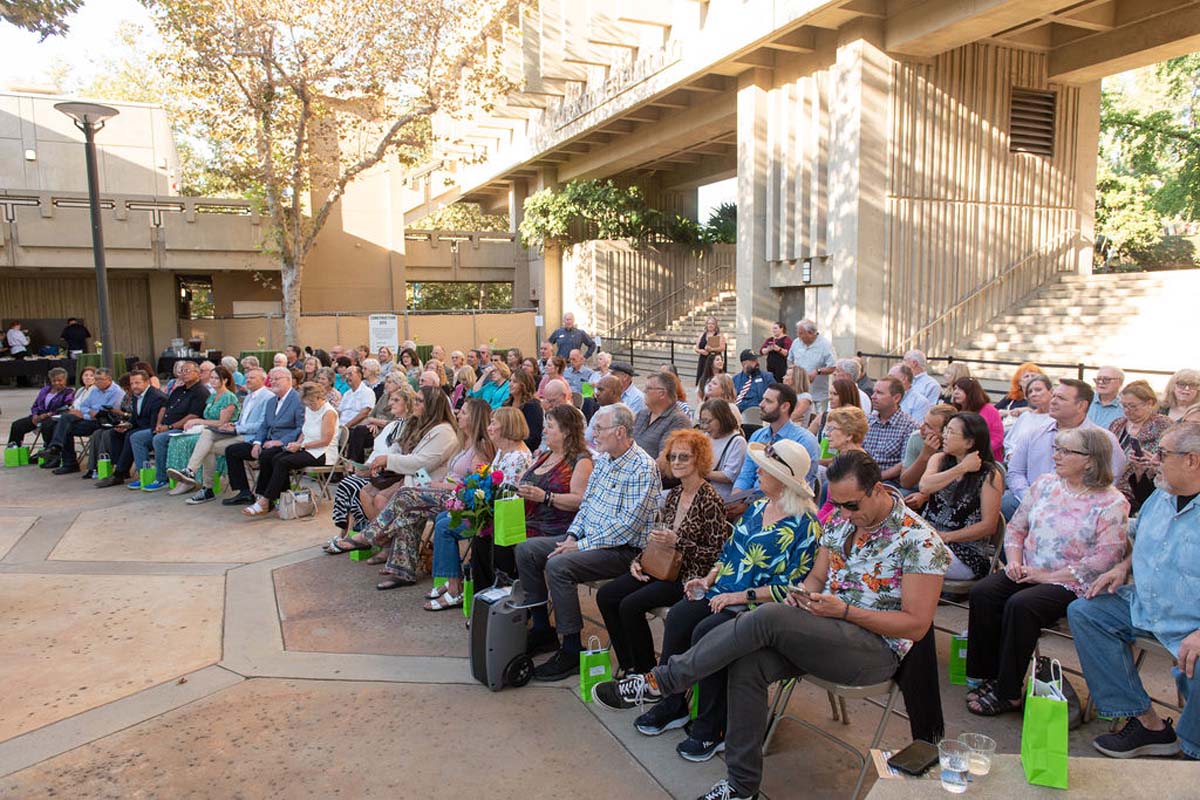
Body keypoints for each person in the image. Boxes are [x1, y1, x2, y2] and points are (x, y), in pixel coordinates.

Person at [594, 451, 949, 800]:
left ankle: (664, 682)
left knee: (763, 616)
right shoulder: (840, 524)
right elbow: (814, 582)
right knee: (749, 662)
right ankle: (741, 786)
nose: (843, 513)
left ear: (878, 489)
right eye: (838, 505)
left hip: (874, 650)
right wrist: (802, 597)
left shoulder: (919, 540)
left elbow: (916, 627)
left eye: (851, 505)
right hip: (823, 627)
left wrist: (842, 612)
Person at [596, 439, 820, 760]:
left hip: (759, 606)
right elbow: (729, 554)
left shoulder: (806, 527)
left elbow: (792, 587)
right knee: (679, 617)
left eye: (765, 469)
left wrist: (735, 596)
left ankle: (711, 727)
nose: (757, 472)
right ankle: (674, 703)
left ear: (783, 479)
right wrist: (707, 579)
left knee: (707, 631)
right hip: (722, 592)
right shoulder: (757, 507)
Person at [965, 427, 1128, 715]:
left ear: (1090, 460)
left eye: (1066, 451)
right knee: (984, 591)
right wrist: (1014, 561)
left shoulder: (1111, 501)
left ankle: (1008, 691)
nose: (1056, 456)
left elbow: (1105, 558)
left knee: (1021, 605)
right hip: (1029, 568)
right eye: (1056, 448)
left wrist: (1046, 577)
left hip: (1072, 582)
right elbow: (1016, 527)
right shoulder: (1045, 484)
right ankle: (990, 675)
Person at [1066, 421, 1200, 761]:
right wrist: (1121, 567)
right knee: (1086, 612)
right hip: (1149, 606)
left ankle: (1192, 753)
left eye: (1163, 453)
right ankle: (1147, 723)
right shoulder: (1162, 495)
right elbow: (1141, 536)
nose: (1153, 459)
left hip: (1191, 622)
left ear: (1192, 461)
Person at [516, 403, 661, 681]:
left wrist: (579, 545)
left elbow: (627, 528)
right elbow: (586, 507)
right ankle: (543, 631)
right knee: (527, 550)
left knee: (559, 566)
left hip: (623, 552)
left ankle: (571, 649)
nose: (594, 434)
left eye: (600, 428)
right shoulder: (605, 460)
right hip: (588, 539)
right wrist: (572, 536)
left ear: (620, 431)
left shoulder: (643, 467)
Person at [593, 428, 728, 677]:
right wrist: (638, 560)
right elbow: (657, 537)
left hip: (688, 576)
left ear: (699, 459)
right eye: (672, 457)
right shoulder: (675, 494)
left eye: (683, 457)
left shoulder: (710, 500)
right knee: (607, 595)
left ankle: (646, 674)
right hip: (659, 566)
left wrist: (679, 542)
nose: (676, 462)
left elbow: (717, 554)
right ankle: (629, 664)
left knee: (630, 605)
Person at [465, 405, 593, 599]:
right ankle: (484, 599)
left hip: (555, 526)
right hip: (528, 519)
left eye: (550, 426)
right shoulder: (546, 455)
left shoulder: (580, 460)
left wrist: (546, 497)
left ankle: (510, 599)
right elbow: (524, 482)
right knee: (483, 533)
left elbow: (579, 500)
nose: (544, 430)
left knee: (501, 539)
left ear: (566, 431)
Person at [357, 388, 461, 588]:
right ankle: (401, 570)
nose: (416, 404)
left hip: (440, 488)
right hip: (421, 483)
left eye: (420, 401)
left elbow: (421, 463)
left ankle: (372, 534)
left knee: (406, 497)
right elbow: (411, 458)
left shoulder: (444, 432)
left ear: (431, 406)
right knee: (406, 506)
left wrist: (388, 461)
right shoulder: (426, 426)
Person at [1003, 379, 1126, 519]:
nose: (1053, 401)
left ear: (1081, 405)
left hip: (1080, 510)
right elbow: (1015, 472)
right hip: (1031, 502)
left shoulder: (1104, 440)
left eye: (1060, 398)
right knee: (1003, 504)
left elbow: (1110, 479)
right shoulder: (1034, 433)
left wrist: (1073, 502)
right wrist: (1030, 497)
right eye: (1054, 396)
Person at [162, 367, 273, 502]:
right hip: (238, 431)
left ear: (263, 380)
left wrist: (237, 428)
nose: (248, 380)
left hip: (251, 437)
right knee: (207, 436)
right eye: (247, 377)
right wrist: (234, 425)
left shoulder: (268, 397)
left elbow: (262, 425)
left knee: (205, 445)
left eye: (252, 378)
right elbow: (243, 420)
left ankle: (204, 485)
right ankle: (195, 475)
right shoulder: (249, 396)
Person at [917, 412, 1003, 580]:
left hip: (966, 552)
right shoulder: (939, 459)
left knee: (912, 555)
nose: (944, 436)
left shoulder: (989, 475)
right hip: (927, 539)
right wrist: (962, 468)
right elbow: (924, 487)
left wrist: (947, 537)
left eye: (951, 432)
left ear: (969, 442)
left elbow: (989, 525)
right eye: (945, 431)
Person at [324, 387, 415, 538]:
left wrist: (373, 467)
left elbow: (401, 456)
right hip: (372, 468)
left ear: (407, 404)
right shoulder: (392, 426)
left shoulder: (409, 428)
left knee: (352, 485)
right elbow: (378, 450)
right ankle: (347, 530)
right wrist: (365, 466)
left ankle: (360, 533)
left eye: (396, 400)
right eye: (391, 399)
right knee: (347, 483)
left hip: (389, 473)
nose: (391, 403)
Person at [241, 382, 338, 517]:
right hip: (307, 447)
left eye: (311, 403)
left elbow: (325, 440)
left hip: (322, 452)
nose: (309, 406)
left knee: (282, 462)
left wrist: (301, 446)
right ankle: (277, 498)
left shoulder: (328, 412)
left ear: (319, 397)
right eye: (307, 404)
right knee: (271, 456)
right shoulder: (310, 409)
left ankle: (265, 501)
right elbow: (304, 431)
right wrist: (296, 444)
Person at [221, 371, 307, 507]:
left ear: (288, 380)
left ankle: (264, 495)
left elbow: (301, 428)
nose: (272, 382)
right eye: (271, 379)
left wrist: (280, 441)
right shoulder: (272, 401)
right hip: (266, 441)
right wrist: (257, 443)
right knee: (232, 450)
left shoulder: (298, 400)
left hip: (286, 443)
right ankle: (244, 492)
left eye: (277, 378)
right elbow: (264, 425)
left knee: (268, 455)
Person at [123, 361, 209, 490]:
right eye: (181, 371)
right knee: (137, 437)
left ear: (197, 373)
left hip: (184, 429)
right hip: (165, 426)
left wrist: (169, 427)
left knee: (159, 439)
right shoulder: (179, 390)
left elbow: (193, 416)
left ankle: (162, 478)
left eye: (187, 371)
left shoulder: (201, 392)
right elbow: (164, 408)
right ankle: (145, 475)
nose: (183, 374)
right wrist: (159, 424)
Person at [164, 366, 241, 495]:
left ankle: (190, 475)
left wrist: (199, 421)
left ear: (225, 380)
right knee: (177, 440)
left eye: (217, 378)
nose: (213, 380)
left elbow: (222, 423)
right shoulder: (212, 397)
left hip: (223, 432)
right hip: (208, 431)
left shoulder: (228, 397)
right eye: (211, 377)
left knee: (191, 443)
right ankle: (185, 478)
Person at [732, 383, 820, 494]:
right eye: (763, 399)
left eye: (768, 401)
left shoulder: (804, 441)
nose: (761, 404)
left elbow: (797, 487)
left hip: (784, 504)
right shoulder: (757, 436)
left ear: (785, 407)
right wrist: (735, 499)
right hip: (752, 500)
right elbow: (746, 475)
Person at [35, 367, 123, 473]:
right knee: (65, 422)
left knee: (65, 424)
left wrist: (86, 414)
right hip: (89, 418)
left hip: (103, 422)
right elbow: (84, 406)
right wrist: (87, 413)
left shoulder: (116, 392)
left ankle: (56, 449)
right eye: (96, 379)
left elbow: (105, 411)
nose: (97, 382)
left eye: (100, 379)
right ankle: (67, 461)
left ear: (108, 379)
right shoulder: (95, 389)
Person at [1108, 380, 1172, 514]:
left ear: (1150, 404)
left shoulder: (1163, 424)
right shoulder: (1117, 424)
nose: (1127, 410)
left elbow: (1165, 456)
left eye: (1132, 406)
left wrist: (1148, 462)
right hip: (1111, 483)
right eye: (1124, 406)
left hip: (1141, 487)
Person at [91, 370, 164, 487]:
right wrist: (126, 425)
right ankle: (121, 469)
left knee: (132, 436)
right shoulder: (136, 395)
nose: (134, 386)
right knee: (114, 433)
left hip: (153, 429)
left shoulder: (156, 397)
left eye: (137, 383)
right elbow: (135, 418)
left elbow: (153, 423)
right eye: (132, 383)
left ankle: (119, 473)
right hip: (139, 427)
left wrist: (131, 428)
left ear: (147, 382)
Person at [814, 406, 869, 521]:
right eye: (826, 429)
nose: (826, 434)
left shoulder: (858, 465)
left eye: (831, 429)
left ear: (849, 435)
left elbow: (841, 511)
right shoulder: (843, 458)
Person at [863, 376, 917, 483]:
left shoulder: (909, 426)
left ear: (896, 398)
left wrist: (877, 478)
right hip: (862, 476)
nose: (873, 397)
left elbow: (904, 463)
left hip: (888, 480)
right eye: (874, 392)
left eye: (879, 393)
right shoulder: (867, 421)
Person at [898, 403, 957, 500]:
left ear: (945, 432)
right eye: (923, 422)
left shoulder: (956, 445)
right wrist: (924, 455)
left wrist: (925, 497)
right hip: (916, 487)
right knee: (903, 494)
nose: (921, 428)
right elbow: (905, 483)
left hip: (945, 493)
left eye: (929, 427)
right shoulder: (916, 438)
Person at [7, 367, 74, 447]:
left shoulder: (69, 393)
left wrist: (46, 415)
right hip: (39, 416)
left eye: (60, 380)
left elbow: (65, 408)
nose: (57, 383)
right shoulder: (45, 390)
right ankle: (14, 449)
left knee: (47, 427)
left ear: (65, 380)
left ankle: (50, 450)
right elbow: (35, 405)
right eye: (54, 381)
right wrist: (35, 415)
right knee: (17, 425)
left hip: (53, 418)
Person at [633, 373, 692, 460]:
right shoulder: (642, 414)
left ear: (662, 394)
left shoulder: (678, 420)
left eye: (648, 388)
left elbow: (664, 459)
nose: (644, 391)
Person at [698, 399, 747, 502]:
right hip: (700, 490)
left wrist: (698, 471)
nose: (705, 427)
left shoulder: (737, 441)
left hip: (719, 496)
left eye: (708, 421)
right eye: (702, 422)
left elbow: (728, 476)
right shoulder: (705, 437)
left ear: (722, 419)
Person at [949, 377, 1004, 461]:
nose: (955, 392)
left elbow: (997, 439)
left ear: (971, 392)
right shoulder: (955, 410)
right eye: (955, 388)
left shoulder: (990, 411)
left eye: (960, 389)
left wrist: (977, 451)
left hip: (986, 459)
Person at [787, 319, 836, 412]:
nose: (798, 335)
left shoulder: (825, 345)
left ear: (810, 333)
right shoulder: (796, 342)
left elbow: (833, 367)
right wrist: (792, 370)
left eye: (801, 333)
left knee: (818, 419)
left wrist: (817, 371)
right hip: (799, 392)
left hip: (818, 394)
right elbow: (790, 360)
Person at [1005, 374, 1053, 457]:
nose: (1033, 394)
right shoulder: (1025, 417)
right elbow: (1009, 442)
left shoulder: (1058, 418)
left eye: (1038, 390)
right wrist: (1010, 455)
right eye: (1030, 391)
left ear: (1051, 391)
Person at [337, 365, 376, 461]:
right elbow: (339, 412)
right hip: (341, 426)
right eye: (346, 375)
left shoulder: (367, 392)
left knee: (353, 434)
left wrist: (347, 426)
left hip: (354, 427)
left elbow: (365, 412)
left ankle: (351, 465)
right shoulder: (347, 394)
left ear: (359, 375)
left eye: (350, 374)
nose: (347, 377)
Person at [807, 377, 859, 444]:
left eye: (835, 394)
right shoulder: (823, 416)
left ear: (846, 396)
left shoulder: (856, 420)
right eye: (830, 393)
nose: (830, 398)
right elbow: (807, 437)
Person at [506, 369, 544, 451]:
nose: (510, 384)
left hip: (521, 449)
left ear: (524, 384)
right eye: (510, 381)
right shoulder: (507, 403)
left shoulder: (532, 406)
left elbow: (534, 437)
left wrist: (514, 447)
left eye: (515, 382)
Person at [584, 375, 622, 448]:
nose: (597, 394)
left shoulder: (621, 416)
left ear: (613, 393)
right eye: (597, 389)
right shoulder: (600, 411)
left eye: (601, 390)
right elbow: (587, 438)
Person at [902, 350, 942, 415]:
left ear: (914, 363)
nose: (902, 364)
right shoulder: (902, 380)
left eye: (904, 360)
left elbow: (930, 412)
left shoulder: (932, 385)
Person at [693, 316, 725, 389]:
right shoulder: (702, 335)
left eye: (712, 324)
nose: (710, 325)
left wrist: (712, 349)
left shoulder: (719, 335)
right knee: (702, 379)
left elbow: (723, 347)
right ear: (706, 325)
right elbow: (696, 348)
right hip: (703, 359)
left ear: (715, 325)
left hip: (714, 359)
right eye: (709, 323)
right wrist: (701, 351)